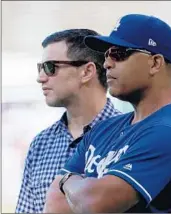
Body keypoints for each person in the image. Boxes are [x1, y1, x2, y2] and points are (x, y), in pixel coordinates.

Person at [43, 14, 171, 213]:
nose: (107, 63)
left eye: (119, 54)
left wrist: (68, 179)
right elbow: (55, 205)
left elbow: (95, 203)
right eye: (106, 55)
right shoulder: (103, 128)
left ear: (155, 63)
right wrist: (80, 190)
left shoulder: (170, 133)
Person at [15, 29, 121, 213]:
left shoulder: (131, 135)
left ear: (87, 71)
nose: (40, 78)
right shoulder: (41, 144)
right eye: (40, 68)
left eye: (50, 67)